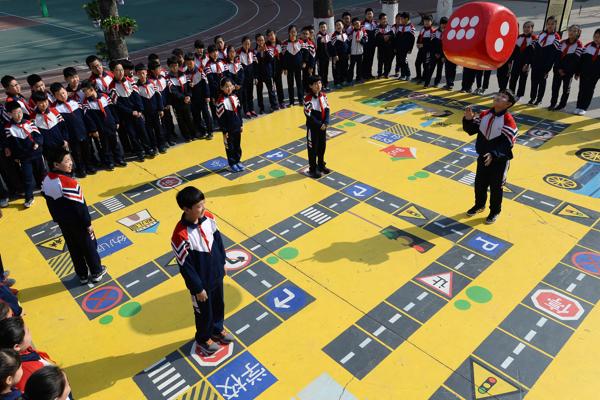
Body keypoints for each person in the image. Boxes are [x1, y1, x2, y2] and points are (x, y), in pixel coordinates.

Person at [171, 186, 233, 355]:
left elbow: (218, 241)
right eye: (199, 206)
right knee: (204, 313)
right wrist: (197, 288)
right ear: (186, 209)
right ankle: (204, 338)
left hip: (216, 275)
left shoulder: (209, 218)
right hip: (201, 285)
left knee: (218, 305)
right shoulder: (180, 235)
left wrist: (222, 263)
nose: (203, 208)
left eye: (203, 204)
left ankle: (217, 329)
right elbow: (185, 266)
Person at [41, 148, 107, 283]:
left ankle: (82, 275)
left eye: (70, 159)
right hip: (78, 223)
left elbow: (47, 199)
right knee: (88, 246)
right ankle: (96, 271)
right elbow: (80, 207)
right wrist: (88, 223)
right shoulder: (69, 182)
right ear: (56, 165)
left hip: (63, 223)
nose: (70, 163)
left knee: (73, 248)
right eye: (66, 161)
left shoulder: (46, 180)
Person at [463, 89, 518, 224]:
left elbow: (508, 143)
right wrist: (468, 120)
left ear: (508, 104)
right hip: (483, 157)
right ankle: (479, 205)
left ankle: (495, 211)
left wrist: (494, 154)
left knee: (496, 188)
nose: (498, 97)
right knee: (479, 184)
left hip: (499, 161)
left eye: (503, 97)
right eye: (498, 94)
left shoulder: (508, 120)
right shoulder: (484, 114)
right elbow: (471, 130)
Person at [109, 61, 154, 161]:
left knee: (143, 131)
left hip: (137, 112)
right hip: (126, 115)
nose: (120, 72)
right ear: (112, 72)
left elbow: (137, 96)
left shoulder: (131, 81)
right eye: (117, 70)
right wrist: (130, 112)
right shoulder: (112, 87)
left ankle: (148, 149)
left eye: (121, 70)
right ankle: (139, 152)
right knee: (132, 135)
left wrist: (139, 110)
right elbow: (118, 104)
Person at [3, 101, 45, 208]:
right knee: (27, 178)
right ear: (9, 114)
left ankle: (45, 189)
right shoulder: (8, 128)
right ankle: (29, 197)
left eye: (20, 112)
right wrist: (15, 156)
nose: (19, 115)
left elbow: (38, 136)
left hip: (36, 154)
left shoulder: (29, 123)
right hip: (24, 158)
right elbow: (10, 144)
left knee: (41, 173)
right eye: (15, 113)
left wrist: (37, 143)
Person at [50, 83, 97, 178]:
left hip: (83, 132)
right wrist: (64, 138)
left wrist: (92, 129)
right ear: (55, 96)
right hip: (71, 136)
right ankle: (81, 169)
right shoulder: (55, 110)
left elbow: (85, 117)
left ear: (66, 91)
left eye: (63, 92)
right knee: (76, 153)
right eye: (59, 94)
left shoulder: (76, 102)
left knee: (87, 150)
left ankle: (89, 165)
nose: (62, 95)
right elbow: (60, 127)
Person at [81, 80, 126, 170]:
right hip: (100, 129)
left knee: (115, 143)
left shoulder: (105, 97)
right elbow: (88, 119)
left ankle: (119, 159)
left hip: (110, 125)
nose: (83, 93)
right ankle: (109, 162)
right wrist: (94, 130)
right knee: (105, 146)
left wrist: (116, 121)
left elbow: (112, 109)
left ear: (91, 89)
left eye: (85, 90)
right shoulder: (86, 103)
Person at [0, 317, 54, 393]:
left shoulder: (23, 350)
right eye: (28, 332)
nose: (30, 332)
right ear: (17, 346)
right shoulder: (28, 371)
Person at [528, 16, 561, 106]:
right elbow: (535, 48)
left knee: (542, 82)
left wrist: (548, 68)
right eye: (548, 24)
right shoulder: (541, 34)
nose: (550, 26)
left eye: (552, 24)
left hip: (545, 64)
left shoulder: (556, 37)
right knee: (533, 80)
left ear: (555, 25)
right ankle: (532, 97)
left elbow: (553, 55)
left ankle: (539, 99)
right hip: (536, 62)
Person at [549, 25, 583, 111]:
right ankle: (553, 103)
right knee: (555, 87)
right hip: (558, 69)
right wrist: (559, 68)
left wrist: (573, 72)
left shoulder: (579, 45)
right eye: (570, 30)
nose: (571, 32)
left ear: (578, 33)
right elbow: (557, 56)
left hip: (568, 71)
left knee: (566, 89)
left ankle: (562, 105)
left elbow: (576, 60)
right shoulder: (562, 42)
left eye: (574, 31)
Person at [135, 63, 168, 152]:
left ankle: (161, 145)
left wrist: (160, 108)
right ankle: (154, 146)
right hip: (146, 113)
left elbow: (158, 96)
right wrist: (141, 112)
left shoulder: (152, 83)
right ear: (136, 75)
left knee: (158, 129)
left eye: (143, 73)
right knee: (149, 131)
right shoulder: (136, 87)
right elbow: (138, 101)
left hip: (155, 111)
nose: (141, 75)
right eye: (139, 74)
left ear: (146, 72)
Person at [304, 75, 330, 179]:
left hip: (323, 127)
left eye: (319, 83)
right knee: (312, 149)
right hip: (313, 128)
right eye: (315, 84)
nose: (318, 86)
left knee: (322, 147)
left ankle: (321, 165)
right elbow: (309, 115)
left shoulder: (323, 95)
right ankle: (313, 169)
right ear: (310, 86)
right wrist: (320, 125)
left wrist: (326, 122)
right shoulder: (307, 99)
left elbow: (327, 108)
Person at [215, 78, 244, 172]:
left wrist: (241, 124)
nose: (229, 88)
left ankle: (238, 160)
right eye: (226, 86)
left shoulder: (235, 97)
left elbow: (239, 112)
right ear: (221, 88)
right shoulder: (220, 101)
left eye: (230, 86)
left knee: (237, 145)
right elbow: (220, 119)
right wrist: (224, 131)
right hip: (228, 129)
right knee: (229, 147)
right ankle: (232, 163)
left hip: (236, 126)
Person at [166, 56, 197, 142]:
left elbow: (189, 86)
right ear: (169, 67)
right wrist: (184, 97)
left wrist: (189, 96)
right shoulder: (168, 79)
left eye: (176, 65)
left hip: (187, 101)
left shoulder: (184, 74)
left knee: (189, 118)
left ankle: (193, 134)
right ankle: (186, 136)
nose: (174, 67)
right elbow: (173, 91)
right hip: (177, 103)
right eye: (172, 66)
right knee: (181, 120)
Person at [30, 92, 69, 159]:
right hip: (47, 148)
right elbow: (35, 134)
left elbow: (63, 127)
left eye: (45, 101)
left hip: (61, 144)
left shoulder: (54, 111)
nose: (44, 104)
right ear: (36, 103)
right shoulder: (33, 117)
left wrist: (65, 139)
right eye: (41, 102)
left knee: (66, 162)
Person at [183, 54, 213, 139]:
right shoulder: (185, 74)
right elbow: (185, 87)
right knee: (196, 117)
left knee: (206, 115)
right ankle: (202, 131)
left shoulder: (200, 71)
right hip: (193, 99)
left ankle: (210, 132)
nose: (189, 65)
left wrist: (207, 96)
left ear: (194, 62)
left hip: (202, 97)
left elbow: (205, 83)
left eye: (191, 63)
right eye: (187, 63)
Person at [509, 21, 537, 100]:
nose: (526, 29)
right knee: (513, 78)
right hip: (517, 61)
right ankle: (511, 93)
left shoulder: (534, 39)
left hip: (526, 63)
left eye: (528, 27)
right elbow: (514, 51)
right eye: (524, 27)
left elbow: (532, 53)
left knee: (522, 79)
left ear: (532, 29)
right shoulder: (519, 37)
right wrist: (510, 61)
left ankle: (520, 95)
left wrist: (527, 64)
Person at [575, 28, 600, 116]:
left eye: (599, 37)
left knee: (589, 90)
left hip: (595, 75)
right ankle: (578, 106)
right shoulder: (587, 46)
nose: (597, 39)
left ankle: (584, 107)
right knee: (581, 89)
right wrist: (577, 72)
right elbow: (581, 61)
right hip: (584, 73)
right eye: (595, 37)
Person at [255, 33, 279, 113]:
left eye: (262, 40)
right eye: (259, 40)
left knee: (271, 90)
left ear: (264, 40)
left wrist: (266, 52)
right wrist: (258, 53)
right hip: (259, 75)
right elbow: (254, 64)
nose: (261, 42)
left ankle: (274, 105)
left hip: (268, 74)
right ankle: (261, 107)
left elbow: (271, 60)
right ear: (256, 41)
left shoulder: (268, 49)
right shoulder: (254, 51)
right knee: (259, 92)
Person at [282, 25, 305, 107]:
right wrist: (284, 68)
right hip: (289, 67)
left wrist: (304, 62)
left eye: (294, 31)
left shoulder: (301, 42)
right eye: (291, 32)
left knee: (299, 83)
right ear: (289, 33)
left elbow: (305, 53)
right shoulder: (285, 44)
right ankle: (291, 101)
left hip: (298, 66)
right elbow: (283, 57)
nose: (293, 33)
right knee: (290, 84)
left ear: (296, 32)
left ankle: (301, 100)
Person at [204, 45, 226, 128]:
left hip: (224, 89)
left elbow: (226, 74)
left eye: (216, 51)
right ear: (209, 54)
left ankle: (224, 121)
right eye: (212, 52)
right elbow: (211, 80)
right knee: (216, 107)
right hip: (215, 91)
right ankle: (218, 123)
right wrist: (220, 88)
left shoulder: (222, 62)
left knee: (224, 106)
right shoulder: (208, 65)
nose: (215, 53)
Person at [266, 29, 287, 109]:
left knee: (279, 86)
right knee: (271, 88)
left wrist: (284, 68)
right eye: (269, 35)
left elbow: (283, 57)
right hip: (270, 70)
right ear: (267, 37)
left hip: (278, 69)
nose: (271, 37)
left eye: (272, 34)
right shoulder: (266, 46)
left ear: (275, 34)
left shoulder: (280, 44)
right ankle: (273, 104)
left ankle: (281, 102)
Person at [424, 17, 447, 88]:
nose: (443, 25)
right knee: (430, 69)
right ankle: (426, 83)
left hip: (442, 56)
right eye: (442, 24)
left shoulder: (448, 33)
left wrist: (443, 56)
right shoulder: (435, 32)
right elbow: (431, 44)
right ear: (440, 24)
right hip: (434, 54)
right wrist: (434, 53)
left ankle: (436, 83)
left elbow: (446, 46)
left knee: (439, 70)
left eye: (445, 24)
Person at [238, 37, 257, 118]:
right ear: (242, 44)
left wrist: (255, 77)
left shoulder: (252, 52)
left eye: (248, 44)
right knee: (244, 96)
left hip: (251, 77)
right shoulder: (239, 54)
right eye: (245, 43)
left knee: (250, 94)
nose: (247, 45)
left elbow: (255, 66)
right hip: (243, 79)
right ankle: (246, 111)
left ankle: (251, 109)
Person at [394, 12, 415, 80]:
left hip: (405, 48)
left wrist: (410, 49)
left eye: (402, 19)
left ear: (406, 19)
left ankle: (408, 74)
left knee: (404, 61)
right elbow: (397, 37)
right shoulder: (400, 26)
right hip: (399, 47)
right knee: (400, 61)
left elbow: (412, 39)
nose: (401, 20)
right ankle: (402, 75)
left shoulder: (411, 27)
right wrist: (395, 47)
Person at [329, 20, 350, 89]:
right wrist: (335, 55)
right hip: (337, 56)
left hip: (345, 54)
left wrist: (348, 53)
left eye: (340, 25)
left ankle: (343, 80)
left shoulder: (345, 34)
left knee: (344, 67)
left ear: (343, 26)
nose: (339, 26)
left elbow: (348, 44)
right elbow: (332, 47)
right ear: (335, 27)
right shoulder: (334, 36)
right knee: (337, 69)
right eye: (337, 25)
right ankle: (337, 82)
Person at [414, 15, 435, 84]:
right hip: (421, 50)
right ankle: (418, 76)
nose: (426, 22)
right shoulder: (422, 29)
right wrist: (417, 43)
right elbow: (419, 37)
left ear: (431, 22)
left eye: (428, 21)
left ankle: (424, 78)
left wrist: (423, 45)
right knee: (417, 63)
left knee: (425, 65)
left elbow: (432, 43)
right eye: (425, 21)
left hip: (427, 51)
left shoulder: (432, 31)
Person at [348, 17, 368, 84]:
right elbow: (348, 42)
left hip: (360, 52)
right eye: (355, 24)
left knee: (359, 67)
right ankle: (349, 79)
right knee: (351, 67)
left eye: (358, 23)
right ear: (353, 25)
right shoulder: (351, 33)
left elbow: (366, 40)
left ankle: (358, 78)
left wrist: (360, 41)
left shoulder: (363, 32)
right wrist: (349, 52)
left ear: (360, 23)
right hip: (353, 53)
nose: (357, 25)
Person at [375, 13, 394, 79]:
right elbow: (376, 37)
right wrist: (383, 37)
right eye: (383, 19)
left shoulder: (390, 27)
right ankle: (379, 74)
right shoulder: (377, 28)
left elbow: (393, 36)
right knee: (380, 61)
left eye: (385, 19)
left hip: (389, 48)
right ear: (380, 20)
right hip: (381, 48)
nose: (384, 20)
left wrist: (388, 36)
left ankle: (386, 73)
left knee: (387, 61)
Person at [362, 8, 378, 80]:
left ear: (373, 14)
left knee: (371, 60)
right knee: (365, 60)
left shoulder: (375, 23)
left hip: (373, 45)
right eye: (368, 14)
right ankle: (364, 75)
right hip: (365, 46)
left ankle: (369, 74)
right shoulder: (362, 24)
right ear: (365, 15)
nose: (369, 15)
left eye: (370, 13)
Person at [315, 22, 331, 91]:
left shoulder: (327, 36)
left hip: (326, 57)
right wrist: (321, 40)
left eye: (324, 27)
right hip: (320, 57)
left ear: (326, 28)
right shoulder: (318, 36)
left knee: (326, 72)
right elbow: (319, 45)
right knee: (321, 72)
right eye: (321, 27)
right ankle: (321, 86)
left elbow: (329, 46)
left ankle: (326, 84)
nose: (323, 28)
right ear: (319, 28)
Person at [301, 26, 317, 92]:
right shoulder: (299, 43)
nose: (305, 35)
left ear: (309, 35)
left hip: (310, 65)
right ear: (301, 34)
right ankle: (305, 89)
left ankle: (311, 90)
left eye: (306, 34)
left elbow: (313, 56)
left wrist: (311, 66)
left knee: (310, 78)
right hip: (302, 65)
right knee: (304, 78)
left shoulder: (311, 44)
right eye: (303, 33)